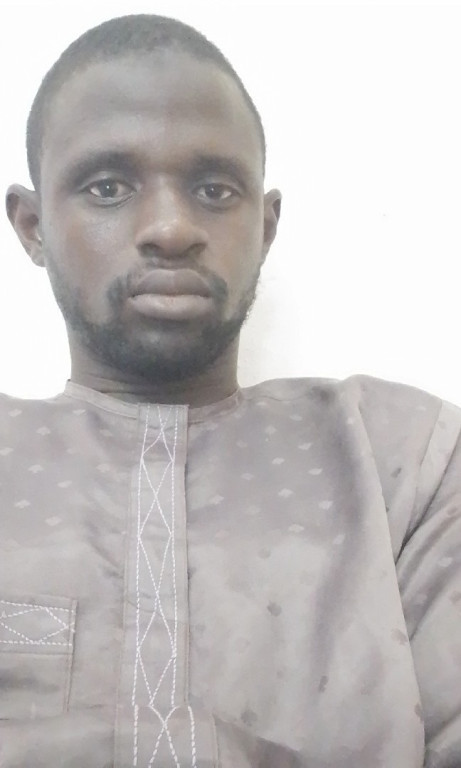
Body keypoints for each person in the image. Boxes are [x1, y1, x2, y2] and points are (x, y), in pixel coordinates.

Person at [1, 13, 460, 768]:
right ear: (32, 225)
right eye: (109, 187)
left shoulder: (404, 463)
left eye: (215, 190)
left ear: (265, 227)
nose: (171, 228)